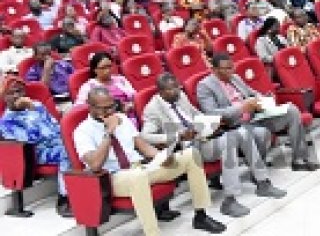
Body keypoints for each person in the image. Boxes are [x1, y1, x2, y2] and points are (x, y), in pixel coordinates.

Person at [73, 87, 226, 236]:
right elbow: (94, 164)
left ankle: (201, 216)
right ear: (90, 106)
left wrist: (162, 157)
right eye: (103, 108)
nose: (109, 112)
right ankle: (152, 233)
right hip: (114, 177)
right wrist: (108, 132)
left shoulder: (123, 119)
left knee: (190, 155)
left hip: (141, 167)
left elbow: (144, 147)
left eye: (111, 106)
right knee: (137, 177)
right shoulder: (82, 131)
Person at [140, 73, 285, 218]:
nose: (176, 91)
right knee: (228, 143)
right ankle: (229, 200)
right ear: (160, 92)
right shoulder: (152, 109)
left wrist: (214, 122)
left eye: (177, 87)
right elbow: (146, 136)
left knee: (243, 133)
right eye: (170, 90)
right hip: (187, 148)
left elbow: (196, 114)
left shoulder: (180, 96)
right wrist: (178, 136)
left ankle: (263, 183)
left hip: (203, 136)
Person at [197, 53, 319, 172]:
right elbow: (211, 113)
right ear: (214, 70)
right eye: (227, 69)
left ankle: (299, 159)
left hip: (256, 116)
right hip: (235, 125)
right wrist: (242, 108)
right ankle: (257, 171)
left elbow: (252, 93)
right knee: (262, 133)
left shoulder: (235, 78)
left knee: (292, 111)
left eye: (232, 67)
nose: (231, 71)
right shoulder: (205, 86)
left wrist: (261, 99)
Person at [0, 77, 72, 217]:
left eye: (19, 91)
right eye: (11, 93)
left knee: (78, 145)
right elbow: (29, 141)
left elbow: (55, 126)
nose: (17, 96)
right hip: (36, 152)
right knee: (67, 152)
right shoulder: (7, 121)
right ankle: (64, 199)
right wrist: (32, 111)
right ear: (4, 97)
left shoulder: (37, 105)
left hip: (55, 143)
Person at [75, 52, 137, 125]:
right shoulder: (88, 86)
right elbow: (79, 108)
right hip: (103, 121)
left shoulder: (121, 80)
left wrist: (130, 106)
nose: (107, 70)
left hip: (128, 116)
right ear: (95, 70)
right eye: (103, 68)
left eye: (109, 66)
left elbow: (135, 97)